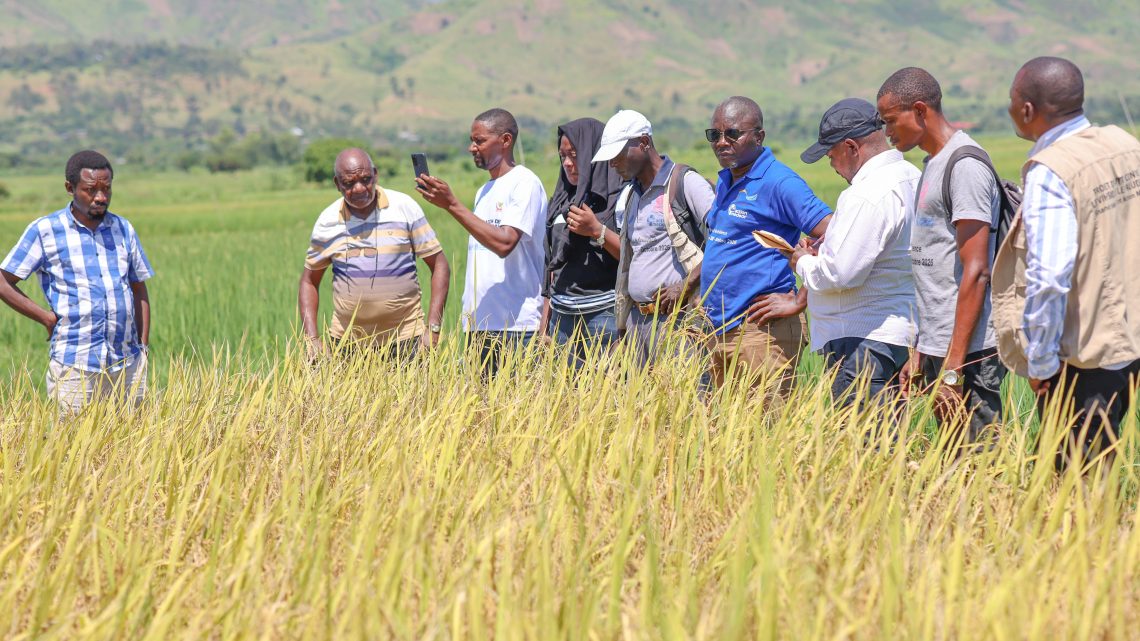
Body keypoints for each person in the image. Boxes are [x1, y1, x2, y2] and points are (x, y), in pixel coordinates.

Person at [994, 56, 1140, 470]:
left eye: (1012, 101)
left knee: (1075, 485)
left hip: (1083, 356)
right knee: (1094, 469)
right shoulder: (1125, 144)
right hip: (1127, 342)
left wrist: (1041, 363)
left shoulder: (1051, 170)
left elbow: (1049, 276)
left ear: (1027, 110)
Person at [877, 67, 1007, 446]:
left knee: (980, 459)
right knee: (952, 455)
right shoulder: (933, 163)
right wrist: (921, 349)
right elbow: (934, 264)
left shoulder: (963, 165)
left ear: (919, 110)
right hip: (939, 343)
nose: (887, 132)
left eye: (890, 121)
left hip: (968, 350)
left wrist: (953, 367)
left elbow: (977, 270)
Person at [0, 150, 153, 413]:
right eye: (91, 190)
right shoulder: (46, 230)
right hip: (75, 365)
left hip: (127, 363)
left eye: (107, 189)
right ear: (70, 188)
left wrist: (143, 346)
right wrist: (46, 318)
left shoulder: (123, 228)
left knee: (133, 446)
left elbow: (138, 287)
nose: (101, 197)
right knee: (73, 448)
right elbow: (3, 280)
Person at [792, 98, 919, 409]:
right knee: (885, 446)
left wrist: (804, 262)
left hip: (862, 344)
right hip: (895, 338)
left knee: (861, 450)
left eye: (831, 156)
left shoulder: (866, 193)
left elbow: (841, 273)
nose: (832, 166)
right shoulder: (912, 177)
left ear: (851, 147)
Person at [701, 96, 831, 394]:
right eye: (714, 135)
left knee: (767, 432)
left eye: (732, 133)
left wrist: (801, 299)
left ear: (759, 137)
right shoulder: (726, 180)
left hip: (760, 332)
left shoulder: (780, 182)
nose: (722, 142)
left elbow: (836, 233)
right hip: (721, 330)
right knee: (728, 436)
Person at [417, 108, 548, 375]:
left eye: (479, 141)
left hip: (517, 328)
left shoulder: (525, 183)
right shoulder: (484, 191)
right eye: (472, 140)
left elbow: (504, 243)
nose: (471, 147)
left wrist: (452, 205)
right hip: (480, 326)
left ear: (505, 140)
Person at [591, 109, 715, 365]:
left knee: (684, 399)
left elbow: (726, 238)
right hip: (639, 322)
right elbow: (629, 262)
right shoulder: (629, 196)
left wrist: (686, 285)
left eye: (618, 154)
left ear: (644, 143)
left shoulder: (684, 182)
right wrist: (623, 328)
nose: (613, 163)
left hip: (678, 320)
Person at [299, 148, 449, 359]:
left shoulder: (404, 207)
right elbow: (309, 282)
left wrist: (433, 328)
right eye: (349, 183)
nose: (359, 188)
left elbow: (440, 265)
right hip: (347, 345)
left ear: (376, 174)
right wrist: (312, 340)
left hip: (407, 342)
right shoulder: (327, 221)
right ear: (337, 184)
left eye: (366, 179)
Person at [540, 118, 624, 364]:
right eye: (562, 155)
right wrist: (545, 325)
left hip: (603, 317)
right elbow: (552, 269)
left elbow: (633, 257)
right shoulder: (560, 200)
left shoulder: (617, 198)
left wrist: (596, 230)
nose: (567, 163)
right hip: (562, 321)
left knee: (607, 396)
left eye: (574, 155)